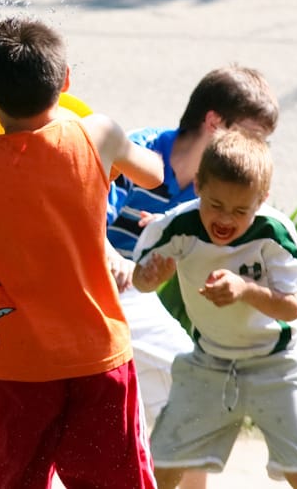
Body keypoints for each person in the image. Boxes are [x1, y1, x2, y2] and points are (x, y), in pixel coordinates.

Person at [0, 17, 164, 489]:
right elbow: (152, 174)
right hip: (97, 355)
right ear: (66, 80)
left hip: (15, 365)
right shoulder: (99, 135)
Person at [130, 128, 297, 489]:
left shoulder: (274, 233)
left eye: (241, 210)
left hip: (277, 363)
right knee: (162, 465)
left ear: (262, 199)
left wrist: (244, 289)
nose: (225, 219)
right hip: (209, 362)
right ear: (198, 186)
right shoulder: (177, 226)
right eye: (215, 205)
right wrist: (152, 277)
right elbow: (140, 280)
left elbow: (292, 308)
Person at [105, 64, 279, 489]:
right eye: (253, 135)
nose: (257, 150)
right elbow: (83, 219)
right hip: (91, 286)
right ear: (214, 123)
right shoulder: (140, 153)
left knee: (193, 397)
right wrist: (113, 257)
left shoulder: (217, 190)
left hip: (132, 301)